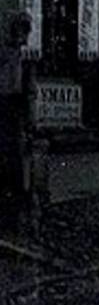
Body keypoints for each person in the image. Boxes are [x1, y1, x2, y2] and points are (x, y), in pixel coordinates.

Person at [1, 13, 34, 209]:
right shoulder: (6, 52)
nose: (25, 38)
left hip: (15, 103)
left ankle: (16, 191)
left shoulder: (21, 54)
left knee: (15, 149)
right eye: (23, 33)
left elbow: (26, 86)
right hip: (6, 102)